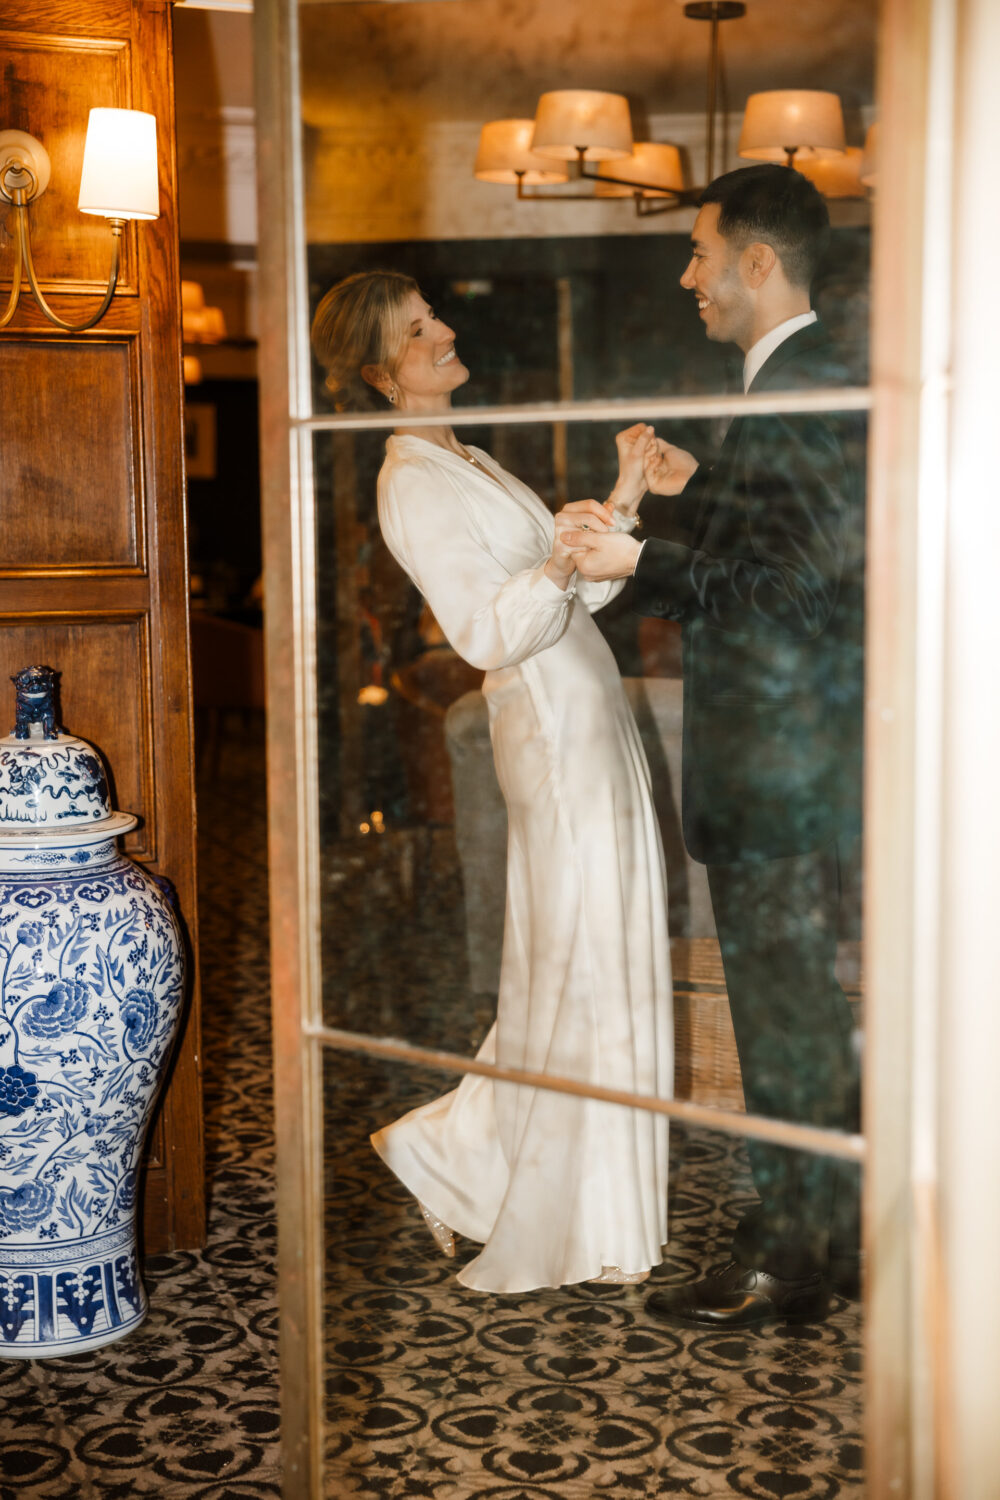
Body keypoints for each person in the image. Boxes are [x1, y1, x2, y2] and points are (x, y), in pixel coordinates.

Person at [310, 270, 673, 1294]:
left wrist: (622, 496)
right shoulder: (410, 481)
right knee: (575, 965)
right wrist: (557, 570)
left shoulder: (462, 459)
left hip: (583, 711)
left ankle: (462, 1163)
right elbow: (484, 632)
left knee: (582, 964)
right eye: (419, 328)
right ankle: (483, 1173)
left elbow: (570, 598)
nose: (445, 330)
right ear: (383, 372)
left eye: (435, 315)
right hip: (550, 731)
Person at [562, 164, 864, 1327]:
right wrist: (694, 499)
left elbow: (791, 596)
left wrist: (640, 561)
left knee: (785, 1019)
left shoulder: (800, 384)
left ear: (754, 260)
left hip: (781, 769)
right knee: (793, 1016)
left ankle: (790, 1264)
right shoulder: (796, 377)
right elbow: (786, 556)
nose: (684, 275)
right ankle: (813, 1235)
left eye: (697, 253)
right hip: (791, 764)